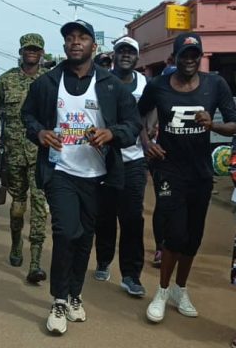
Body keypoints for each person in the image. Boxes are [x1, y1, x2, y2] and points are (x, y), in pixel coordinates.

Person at [21, 19, 141, 335]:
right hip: (61, 170)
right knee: (64, 232)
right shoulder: (47, 83)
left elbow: (133, 124)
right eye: (70, 38)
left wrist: (111, 134)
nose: (75, 42)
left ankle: (75, 294)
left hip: (98, 176)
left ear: (93, 46)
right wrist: (40, 133)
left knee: (85, 237)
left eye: (82, 37)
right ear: (64, 46)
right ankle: (59, 300)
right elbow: (28, 115)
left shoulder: (111, 85)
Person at [140, 32, 236, 323]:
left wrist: (213, 126)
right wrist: (146, 143)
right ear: (175, 58)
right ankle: (162, 291)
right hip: (168, 169)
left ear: (200, 57)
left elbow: (233, 123)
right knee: (175, 234)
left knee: (193, 238)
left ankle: (180, 289)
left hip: (200, 172)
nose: (190, 61)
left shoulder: (215, 84)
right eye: (185, 55)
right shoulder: (158, 86)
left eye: (195, 55)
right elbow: (136, 116)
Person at [0, 33, 49, 285]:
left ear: (42, 53)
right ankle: (15, 242)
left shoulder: (49, 80)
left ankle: (35, 261)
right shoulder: (7, 80)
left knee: (39, 205)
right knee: (18, 206)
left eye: (36, 49)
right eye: (27, 49)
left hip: (41, 153)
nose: (31, 53)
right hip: (13, 153)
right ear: (21, 52)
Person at [93, 36, 148, 296]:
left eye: (130, 52)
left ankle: (131, 275)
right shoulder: (101, 81)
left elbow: (150, 111)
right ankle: (103, 261)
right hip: (106, 159)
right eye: (121, 51)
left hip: (134, 160)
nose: (126, 55)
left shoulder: (144, 84)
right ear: (114, 55)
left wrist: (149, 134)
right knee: (105, 215)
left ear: (137, 57)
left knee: (132, 218)